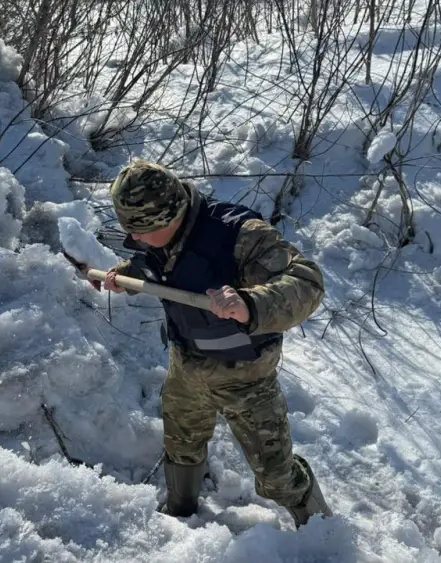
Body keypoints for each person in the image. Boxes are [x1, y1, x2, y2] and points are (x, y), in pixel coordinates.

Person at [101, 160, 332, 528]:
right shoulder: (154, 235)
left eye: (142, 232)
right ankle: (180, 515)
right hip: (187, 368)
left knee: (276, 475)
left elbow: (308, 283)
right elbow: (155, 264)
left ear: (171, 216)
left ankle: (323, 532)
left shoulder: (238, 235)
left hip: (246, 378)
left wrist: (250, 303)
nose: (136, 240)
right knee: (182, 445)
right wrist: (127, 276)